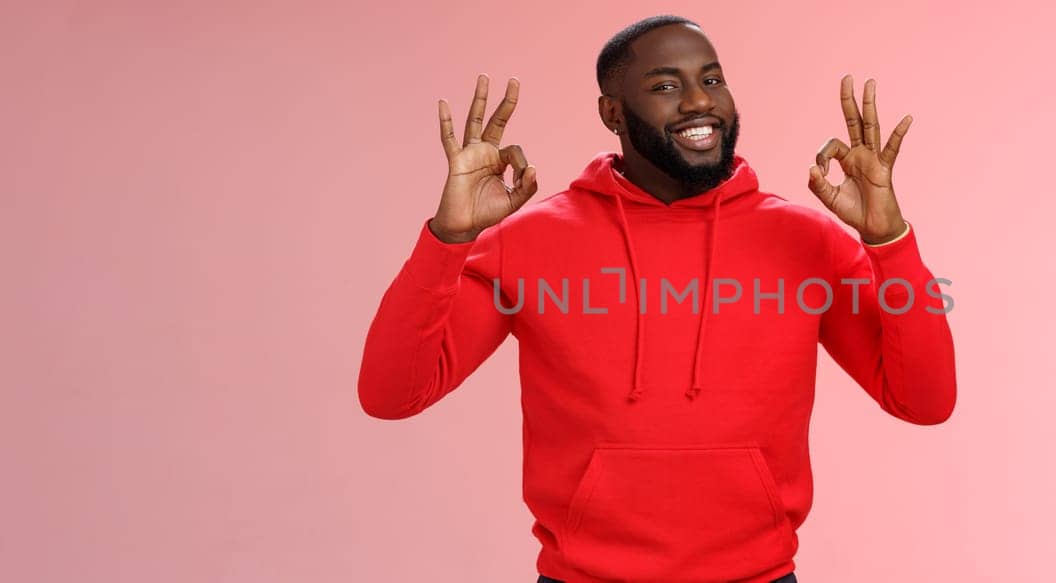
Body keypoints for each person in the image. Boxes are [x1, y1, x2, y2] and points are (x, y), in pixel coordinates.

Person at [358, 14, 957, 583]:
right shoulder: (529, 242)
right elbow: (392, 396)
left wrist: (889, 241)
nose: (700, 102)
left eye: (712, 79)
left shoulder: (807, 241)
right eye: (666, 85)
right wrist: (449, 239)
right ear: (611, 112)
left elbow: (924, 401)